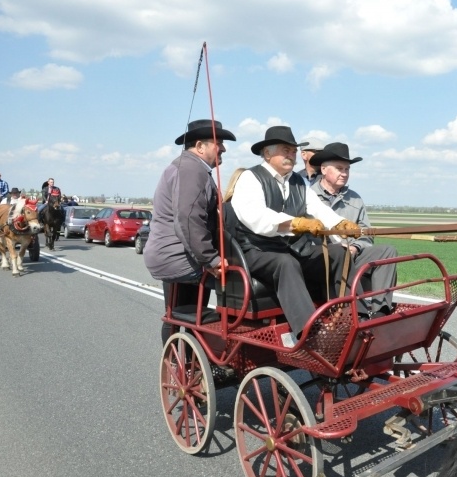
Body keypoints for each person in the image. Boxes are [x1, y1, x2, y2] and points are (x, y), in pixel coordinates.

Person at [227, 125, 360, 334]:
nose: (291, 155)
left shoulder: (298, 182)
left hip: (292, 248)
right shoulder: (250, 178)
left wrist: (339, 224)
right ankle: (309, 331)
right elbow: (255, 216)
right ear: (267, 153)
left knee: (338, 253)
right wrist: (296, 223)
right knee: (286, 263)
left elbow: (317, 208)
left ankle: (354, 317)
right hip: (258, 250)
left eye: (293, 151)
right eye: (285, 150)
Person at [144, 119, 236, 344]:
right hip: (178, 256)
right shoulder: (191, 169)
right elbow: (188, 220)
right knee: (237, 277)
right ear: (200, 146)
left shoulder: (189, 167)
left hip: (177, 253)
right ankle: (222, 344)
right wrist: (211, 260)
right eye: (218, 143)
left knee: (181, 315)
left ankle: (190, 358)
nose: (223, 148)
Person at [309, 142, 397, 315]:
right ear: (324, 169)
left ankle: (381, 311)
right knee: (339, 255)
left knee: (388, 251)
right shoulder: (309, 197)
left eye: (347, 169)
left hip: (352, 255)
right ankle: (359, 316)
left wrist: (355, 247)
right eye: (339, 168)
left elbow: (365, 232)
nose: (344, 173)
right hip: (324, 260)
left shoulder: (355, 199)